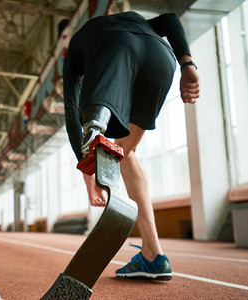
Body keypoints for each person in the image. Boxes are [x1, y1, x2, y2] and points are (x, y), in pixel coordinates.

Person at [63, 11, 200, 280]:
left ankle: (96, 121)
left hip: (116, 52)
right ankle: (153, 255)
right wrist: (188, 64)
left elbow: (69, 108)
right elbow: (171, 19)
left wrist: (85, 167)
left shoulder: (75, 53)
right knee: (125, 152)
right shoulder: (134, 22)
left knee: (95, 98)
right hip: (162, 59)